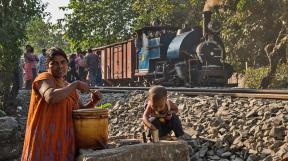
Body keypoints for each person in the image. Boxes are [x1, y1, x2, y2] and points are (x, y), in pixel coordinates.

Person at [21, 47, 102, 161]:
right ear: (47, 65)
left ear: (67, 64)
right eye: (54, 63)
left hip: (63, 143)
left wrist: (93, 101)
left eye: (63, 62)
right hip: (44, 141)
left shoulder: (67, 86)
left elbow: (79, 111)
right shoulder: (44, 78)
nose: (60, 66)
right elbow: (50, 96)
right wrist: (76, 84)